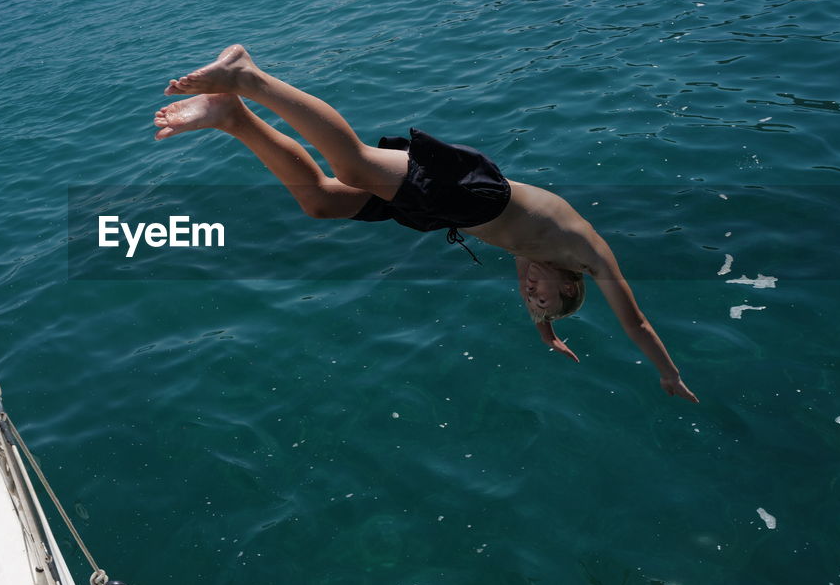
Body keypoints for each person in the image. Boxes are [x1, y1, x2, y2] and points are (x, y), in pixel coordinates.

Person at [153, 45, 699, 403]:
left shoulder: (535, 266)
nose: (530, 291)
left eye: (531, 298)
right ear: (571, 282)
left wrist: (546, 330)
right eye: (544, 295)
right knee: (354, 164)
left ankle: (232, 116)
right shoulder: (587, 254)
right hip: (474, 192)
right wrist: (667, 373)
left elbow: (537, 302)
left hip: (447, 215)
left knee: (321, 201)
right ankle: (248, 76)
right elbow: (637, 325)